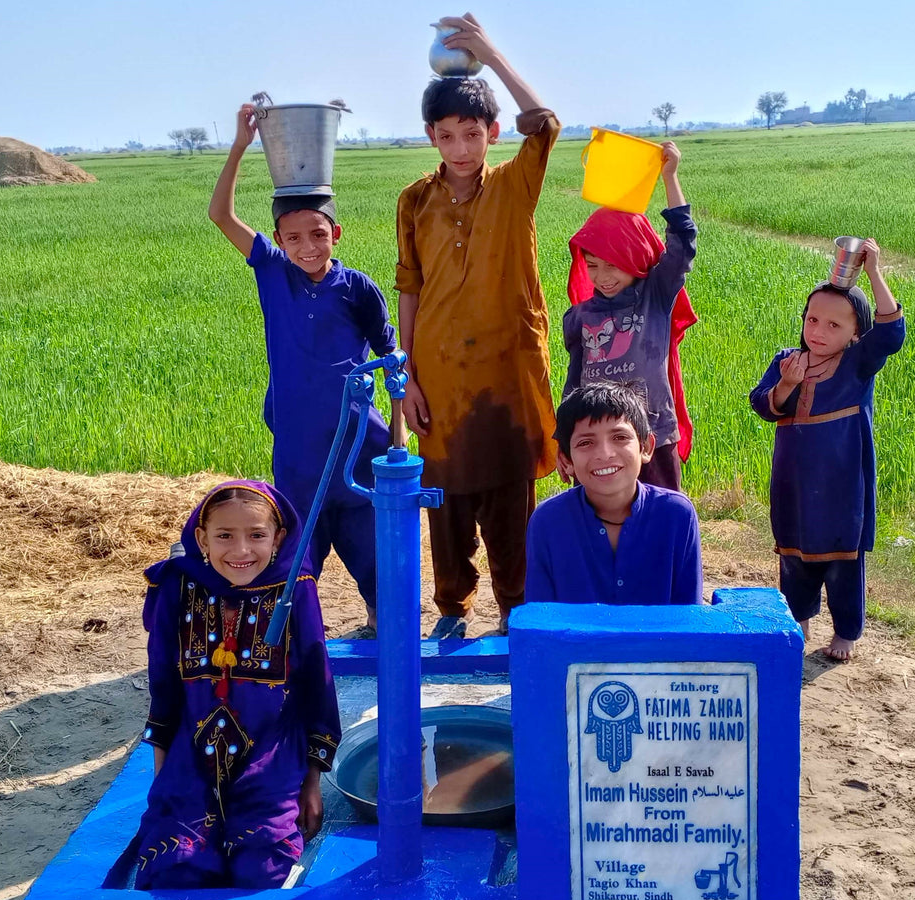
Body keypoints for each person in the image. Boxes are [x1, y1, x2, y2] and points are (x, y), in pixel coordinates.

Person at [396, 13, 560, 639]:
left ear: (492, 133)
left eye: (472, 134)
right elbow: (409, 285)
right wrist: (407, 374)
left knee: (510, 500)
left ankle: (516, 613)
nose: (461, 149)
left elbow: (545, 123)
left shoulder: (515, 186)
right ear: (431, 138)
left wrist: (490, 52)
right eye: (447, 136)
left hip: (507, 375)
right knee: (445, 501)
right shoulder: (415, 201)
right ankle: (451, 610)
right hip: (438, 375)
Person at [209, 104, 397, 634]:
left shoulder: (358, 287)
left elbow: (389, 359)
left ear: (336, 231)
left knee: (373, 552)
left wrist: (404, 424)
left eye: (317, 234)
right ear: (279, 241)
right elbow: (221, 215)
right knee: (294, 555)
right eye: (293, 238)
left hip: (358, 442)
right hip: (297, 447)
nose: (306, 247)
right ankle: (298, 644)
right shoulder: (272, 272)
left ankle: (383, 630)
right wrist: (241, 145)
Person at [135, 481, 340, 889]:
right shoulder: (176, 585)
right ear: (201, 539)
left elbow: (317, 682)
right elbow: (164, 680)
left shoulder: (295, 590)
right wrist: (163, 781)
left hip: (271, 753)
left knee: (260, 871)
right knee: (175, 870)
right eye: (224, 536)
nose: (241, 551)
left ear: (279, 539)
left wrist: (312, 782)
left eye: (257, 535)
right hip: (192, 753)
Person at [749, 240, 905, 661]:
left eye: (834, 326)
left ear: (856, 334)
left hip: (841, 484)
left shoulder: (858, 363)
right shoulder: (787, 360)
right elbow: (761, 403)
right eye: (812, 320)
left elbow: (892, 334)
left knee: (842, 560)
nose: (817, 332)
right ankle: (797, 617)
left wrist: (874, 272)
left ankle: (846, 632)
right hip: (793, 481)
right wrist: (785, 384)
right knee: (794, 553)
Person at [562, 142, 698, 492]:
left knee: (660, 520)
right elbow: (574, 382)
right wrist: (564, 438)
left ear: (634, 258)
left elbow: (682, 245)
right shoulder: (581, 316)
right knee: (599, 530)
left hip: (653, 436)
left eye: (613, 266)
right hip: (597, 446)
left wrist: (670, 176)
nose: (602, 277)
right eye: (592, 266)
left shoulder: (654, 296)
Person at [526, 381, 702, 605]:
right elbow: (540, 621)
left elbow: (689, 619)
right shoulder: (547, 522)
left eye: (619, 437)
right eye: (586, 442)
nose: (605, 454)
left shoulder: (677, 516)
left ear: (646, 447)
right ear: (566, 460)